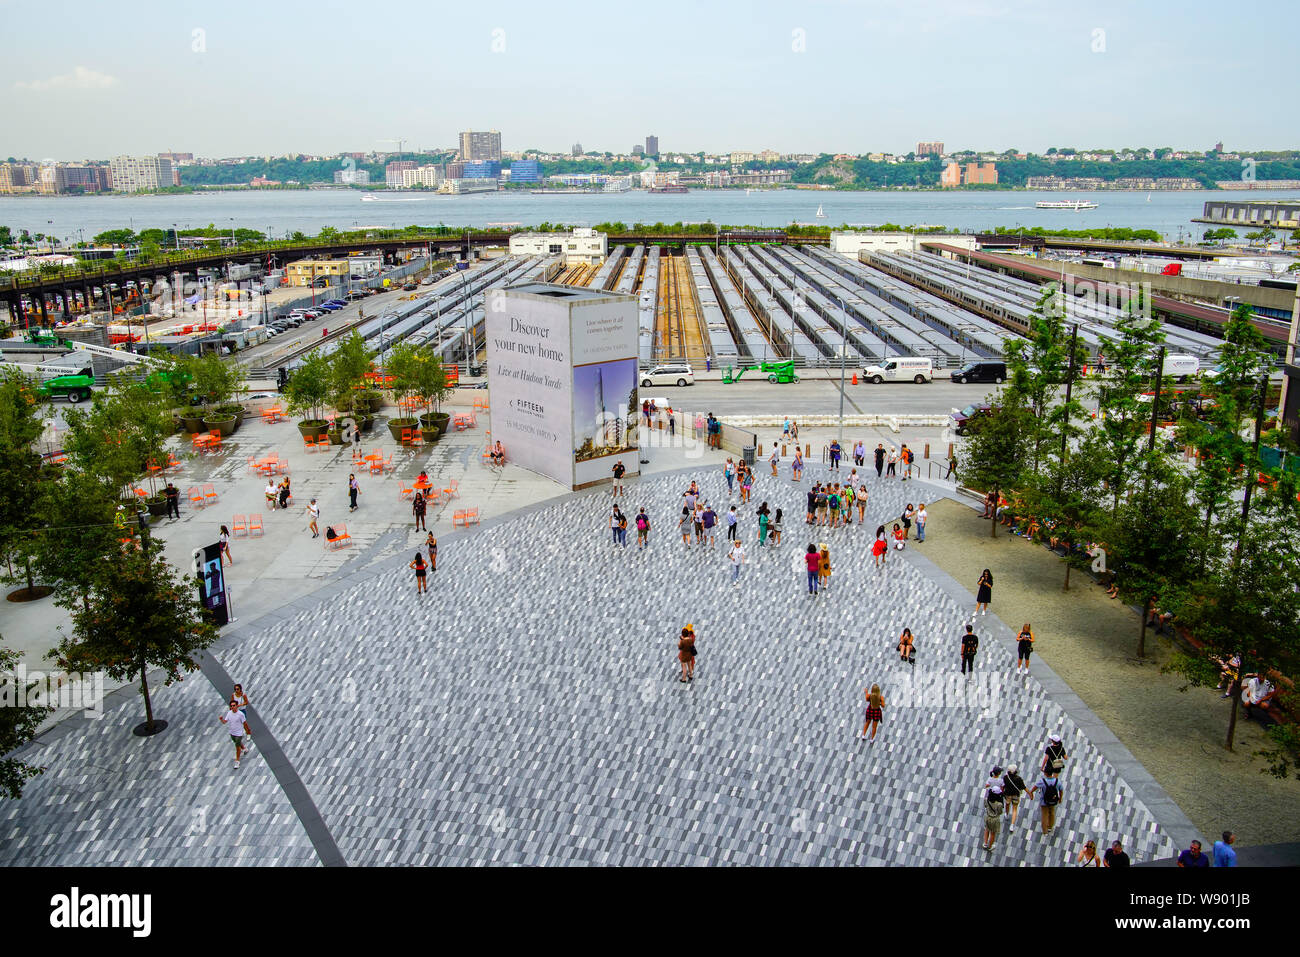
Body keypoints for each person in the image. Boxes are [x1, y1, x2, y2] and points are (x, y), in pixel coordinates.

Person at [220, 698, 251, 769]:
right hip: (232, 733)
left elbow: (245, 723)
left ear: (237, 706)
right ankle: (244, 749)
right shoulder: (229, 713)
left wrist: (248, 731)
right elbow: (225, 722)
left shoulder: (240, 714)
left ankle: (237, 761)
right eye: (231, 706)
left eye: (234, 705)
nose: (232, 707)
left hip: (239, 733)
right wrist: (221, 719)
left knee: (237, 746)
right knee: (238, 743)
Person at [1029, 770, 1063, 834]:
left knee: (1045, 815)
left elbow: (1034, 788)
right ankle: (1050, 827)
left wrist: (1031, 793)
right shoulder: (1057, 781)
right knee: (1052, 813)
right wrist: (1060, 798)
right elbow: (1061, 790)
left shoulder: (1042, 781)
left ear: (1045, 773)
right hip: (1053, 800)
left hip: (1044, 801)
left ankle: (1045, 831)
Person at [982, 786, 1004, 851]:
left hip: (988, 817)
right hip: (995, 819)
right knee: (993, 833)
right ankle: (990, 846)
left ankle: (985, 843)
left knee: (987, 829)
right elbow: (1000, 812)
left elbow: (985, 806)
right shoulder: (999, 804)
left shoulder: (986, 800)